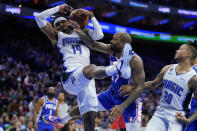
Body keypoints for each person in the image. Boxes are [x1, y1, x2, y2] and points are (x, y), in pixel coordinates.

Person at [35, 4, 132, 131]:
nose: (60, 26)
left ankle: (62, 120)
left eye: (62, 22)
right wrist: (58, 8)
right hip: (70, 76)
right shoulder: (57, 36)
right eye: (57, 25)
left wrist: (91, 16)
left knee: (89, 115)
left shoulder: (82, 32)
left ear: (69, 21)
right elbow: (39, 18)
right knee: (90, 68)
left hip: (87, 79)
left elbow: (99, 35)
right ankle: (116, 68)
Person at [45, 31, 145, 131]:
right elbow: (93, 44)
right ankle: (62, 120)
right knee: (87, 105)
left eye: (115, 39)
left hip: (130, 101)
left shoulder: (135, 60)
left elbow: (140, 87)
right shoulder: (112, 51)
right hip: (112, 94)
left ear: (122, 44)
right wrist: (79, 30)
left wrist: (123, 106)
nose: (111, 41)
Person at [120, 42, 197, 131]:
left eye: (180, 49)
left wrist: (188, 120)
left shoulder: (194, 78)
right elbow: (152, 84)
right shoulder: (167, 68)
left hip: (177, 116)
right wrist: (133, 88)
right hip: (160, 112)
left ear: (188, 54)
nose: (177, 50)